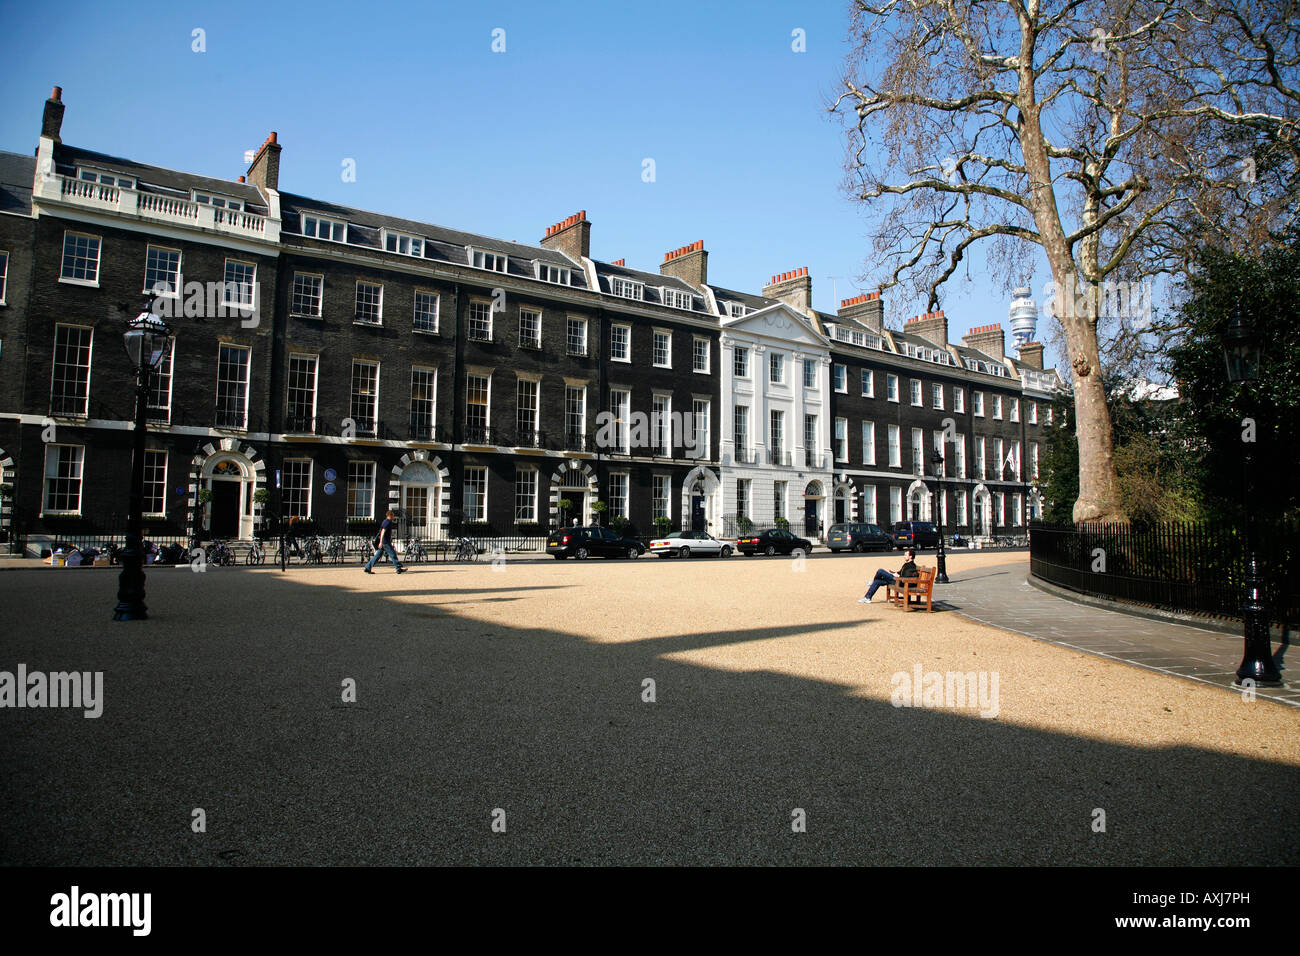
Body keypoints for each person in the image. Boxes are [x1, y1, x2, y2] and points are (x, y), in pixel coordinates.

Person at [364, 509, 406, 574]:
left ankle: (368, 567)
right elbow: (383, 532)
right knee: (392, 554)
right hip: (385, 542)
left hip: (384, 541)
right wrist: (381, 542)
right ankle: (398, 568)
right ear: (390, 515)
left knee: (378, 555)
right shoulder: (388, 522)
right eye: (393, 515)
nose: (393, 517)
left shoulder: (385, 521)